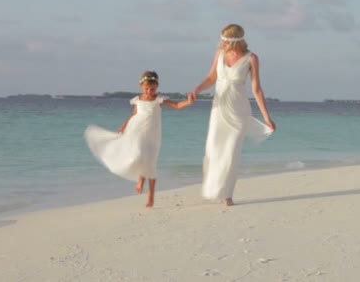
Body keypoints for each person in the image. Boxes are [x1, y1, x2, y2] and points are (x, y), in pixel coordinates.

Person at [190, 24, 276, 206]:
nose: (221, 42)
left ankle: (227, 195)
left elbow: (257, 89)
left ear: (232, 39)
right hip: (219, 109)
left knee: (231, 152)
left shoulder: (251, 58)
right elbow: (211, 78)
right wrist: (197, 90)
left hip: (239, 111)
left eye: (224, 39)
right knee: (213, 148)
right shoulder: (220, 54)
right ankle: (213, 187)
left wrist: (266, 117)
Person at [84, 71, 194, 207]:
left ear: (157, 86)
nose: (149, 91)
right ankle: (141, 179)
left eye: (152, 89)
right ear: (141, 86)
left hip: (153, 135)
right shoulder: (138, 100)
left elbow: (177, 105)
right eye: (146, 89)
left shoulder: (159, 99)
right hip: (136, 131)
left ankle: (151, 196)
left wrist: (188, 102)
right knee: (138, 155)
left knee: (150, 163)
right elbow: (133, 115)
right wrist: (124, 125)